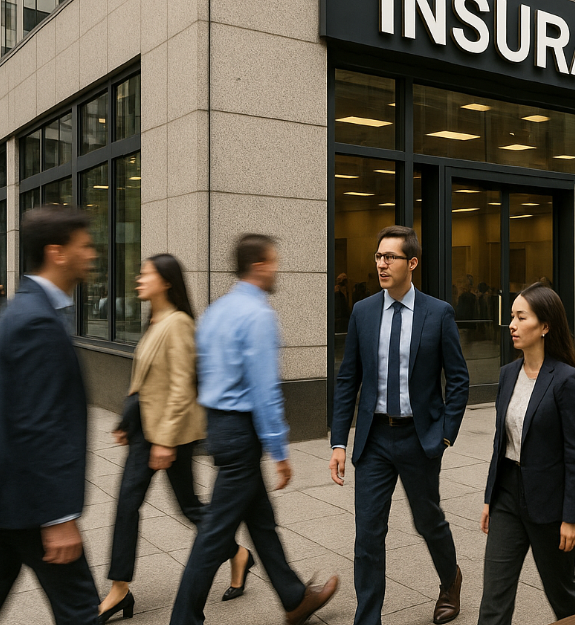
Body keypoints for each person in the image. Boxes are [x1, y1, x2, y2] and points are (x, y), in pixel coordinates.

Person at [170, 235, 338, 625]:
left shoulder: (216, 311)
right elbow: (264, 391)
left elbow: (199, 372)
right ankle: (183, 618)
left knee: (261, 521)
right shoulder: (258, 315)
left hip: (219, 427)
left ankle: (294, 598)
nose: (277, 269)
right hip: (242, 432)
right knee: (213, 535)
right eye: (274, 262)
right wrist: (279, 450)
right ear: (259, 265)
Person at [99, 255, 251, 623]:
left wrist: (165, 441)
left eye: (146, 273)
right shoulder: (155, 320)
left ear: (166, 281)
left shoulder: (179, 323)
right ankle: (120, 588)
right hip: (145, 431)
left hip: (169, 435)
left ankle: (237, 553)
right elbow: (147, 379)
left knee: (190, 507)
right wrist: (127, 418)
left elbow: (183, 387)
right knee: (126, 506)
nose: (139, 279)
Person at [330, 225, 470, 625]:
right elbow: (348, 379)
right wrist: (339, 441)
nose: (381, 264)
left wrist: (445, 433)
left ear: (412, 263)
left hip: (419, 437)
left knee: (428, 521)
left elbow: (458, 379)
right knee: (368, 533)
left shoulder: (438, 312)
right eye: (377, 256)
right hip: (373, 438)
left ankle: (450, 578)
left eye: (389, 257)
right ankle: (367, 618)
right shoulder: (363, 311)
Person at [0, 207, 99, 624]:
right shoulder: (35, 321)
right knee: (80, 612)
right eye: (86, 245)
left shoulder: (31, 310)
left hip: (14, 501)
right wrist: (58, 517)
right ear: (57, 252)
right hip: (31, 504)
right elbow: (35, 423)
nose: (93, 254)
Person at [478, 283, 575, 624]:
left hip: (550, 505)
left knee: (563, 594)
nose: (511, 324)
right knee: (494, 599)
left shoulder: (565, 380)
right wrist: (489, 498)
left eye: (520, 317)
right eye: (511, 316)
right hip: (507, 497)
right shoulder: (508, 374)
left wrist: (572, 516)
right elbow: (502, 442)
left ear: (544, 326)